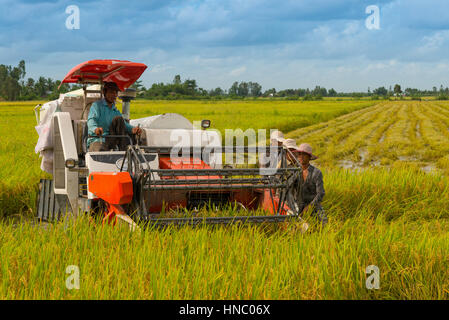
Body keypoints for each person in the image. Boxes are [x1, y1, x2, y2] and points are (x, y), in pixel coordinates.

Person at [87, 82, 142, 151]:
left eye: (116, 93)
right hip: (98, 139)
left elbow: (124, 125)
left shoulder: (115, 111)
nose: (114, 95)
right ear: (104, 92)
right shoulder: (97, 106)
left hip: (111, 140)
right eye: (111, 92)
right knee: (100, 151)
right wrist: (95, 129)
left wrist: (133, 129)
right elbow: (91, 120)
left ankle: (123, 151)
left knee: (119, 119)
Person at [294, 143, 328, 226]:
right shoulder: (294, 172)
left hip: (313, 205)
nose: (301, 156)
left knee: (324, 224)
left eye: (304, 154)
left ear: (309, 157)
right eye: (300, 154)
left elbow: (321, 193)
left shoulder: (316, 172)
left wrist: (309, 207)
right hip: (298, 205)